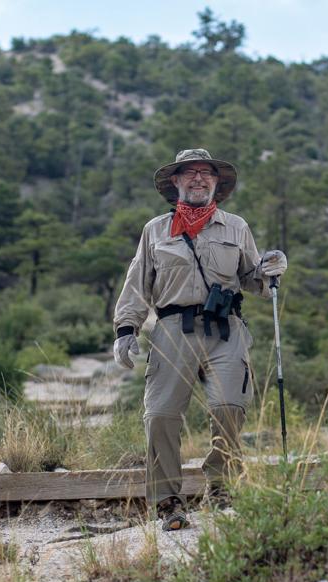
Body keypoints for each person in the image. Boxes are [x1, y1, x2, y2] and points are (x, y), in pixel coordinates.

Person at [111, 148, 288, 530]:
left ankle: (220, 486)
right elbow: (138, 283)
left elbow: (254, 280)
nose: (198, 178)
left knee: (229, 406)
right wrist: (126, 330)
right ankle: (167, 501)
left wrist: (271, 270)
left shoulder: (236, 227)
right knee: (160, 415)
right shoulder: (155, 230)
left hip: (226, 330)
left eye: (205, 173)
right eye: (188, 172)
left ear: (216, 182)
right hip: (173, 329)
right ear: (175, 182)